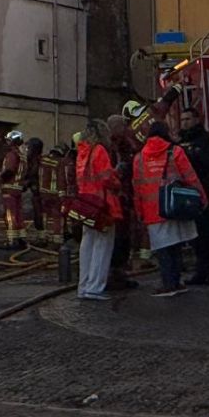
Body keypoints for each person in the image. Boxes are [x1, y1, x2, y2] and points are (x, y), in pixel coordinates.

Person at [134, 120, 205, 297]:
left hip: (153, 209)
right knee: (176, 244)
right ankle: (176, 281)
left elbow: (137, 188)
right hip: (175, 205)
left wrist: (139, 211)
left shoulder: (140, 157)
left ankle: (168, 283)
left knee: (162, 248)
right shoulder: (176, 151)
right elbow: (190, 176)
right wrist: (201, 197)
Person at [74, 122, 122, 300]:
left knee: (86, 246)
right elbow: (107, 178)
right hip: (102, 205)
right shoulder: (99, 150)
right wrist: (118, 177)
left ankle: (83, 286)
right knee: (102, 246)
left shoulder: (82, 152)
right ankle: (95, 287)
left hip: (86, 205)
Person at [176, 108, 209, 285]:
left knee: (205, 234)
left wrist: (192, 154)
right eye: (182, 120)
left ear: (197, 119)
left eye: (188, 119)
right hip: (185, 193)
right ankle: (200, 271)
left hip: (202, 192)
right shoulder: (181, 142)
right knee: (193, 235)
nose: (185, 123)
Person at [103, 113, 142, 290]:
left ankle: (119, 272)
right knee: (116, 238)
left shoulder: (125, 146)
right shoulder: (106, 148)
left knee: (124, 237)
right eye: (122, 126)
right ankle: (112, 274)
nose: (125, 129)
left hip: (124, 198)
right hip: (113, 200)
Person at [0, 130, 29, 250]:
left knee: (10, 215)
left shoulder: (12, 154)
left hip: (9, 189)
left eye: (8, 140)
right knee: (18, 214)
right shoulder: (22, 155)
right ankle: (21, 238)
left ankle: (12, 240)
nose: (7, 142)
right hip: (18, 189)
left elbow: (9, 170)